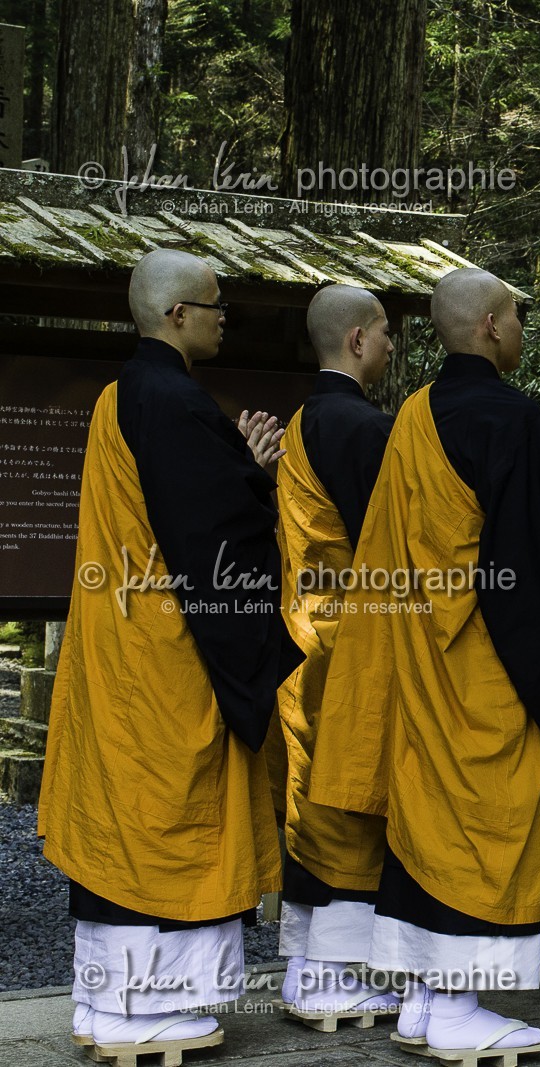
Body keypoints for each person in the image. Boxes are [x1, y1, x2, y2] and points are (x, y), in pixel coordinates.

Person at [308, 267, 540, 1059]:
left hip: (419, 660)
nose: (523, 327)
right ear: (489, 325)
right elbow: (528, 568)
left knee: (423, 825)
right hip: (486, 669)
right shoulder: (512, 419)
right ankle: (454, 1011)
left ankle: (421, 1001)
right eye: (518, 315)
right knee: (485, 826)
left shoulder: (413, 414)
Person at [39, 248, 300, 1060]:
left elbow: (186, 510)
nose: (227, 316)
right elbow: (210, 539)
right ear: (177, 314)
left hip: (119, 648)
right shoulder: (174, 401)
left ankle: (103, 1002)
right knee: (163, 814)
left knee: (124, 814)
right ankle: (142, 1012)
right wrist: (257, 484)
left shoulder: (128, 394)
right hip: (165, 658)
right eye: (217, 305)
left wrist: (241, 473)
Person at [275, 284, 400, 1026]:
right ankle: (337, 973)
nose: (389, 344)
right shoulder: (362, 427)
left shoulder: (301, 421)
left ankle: (305, 965)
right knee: (351, 793)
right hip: (353, 640)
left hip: (303, 632)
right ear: (356, 340)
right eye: (383, 331)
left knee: (308, 789)